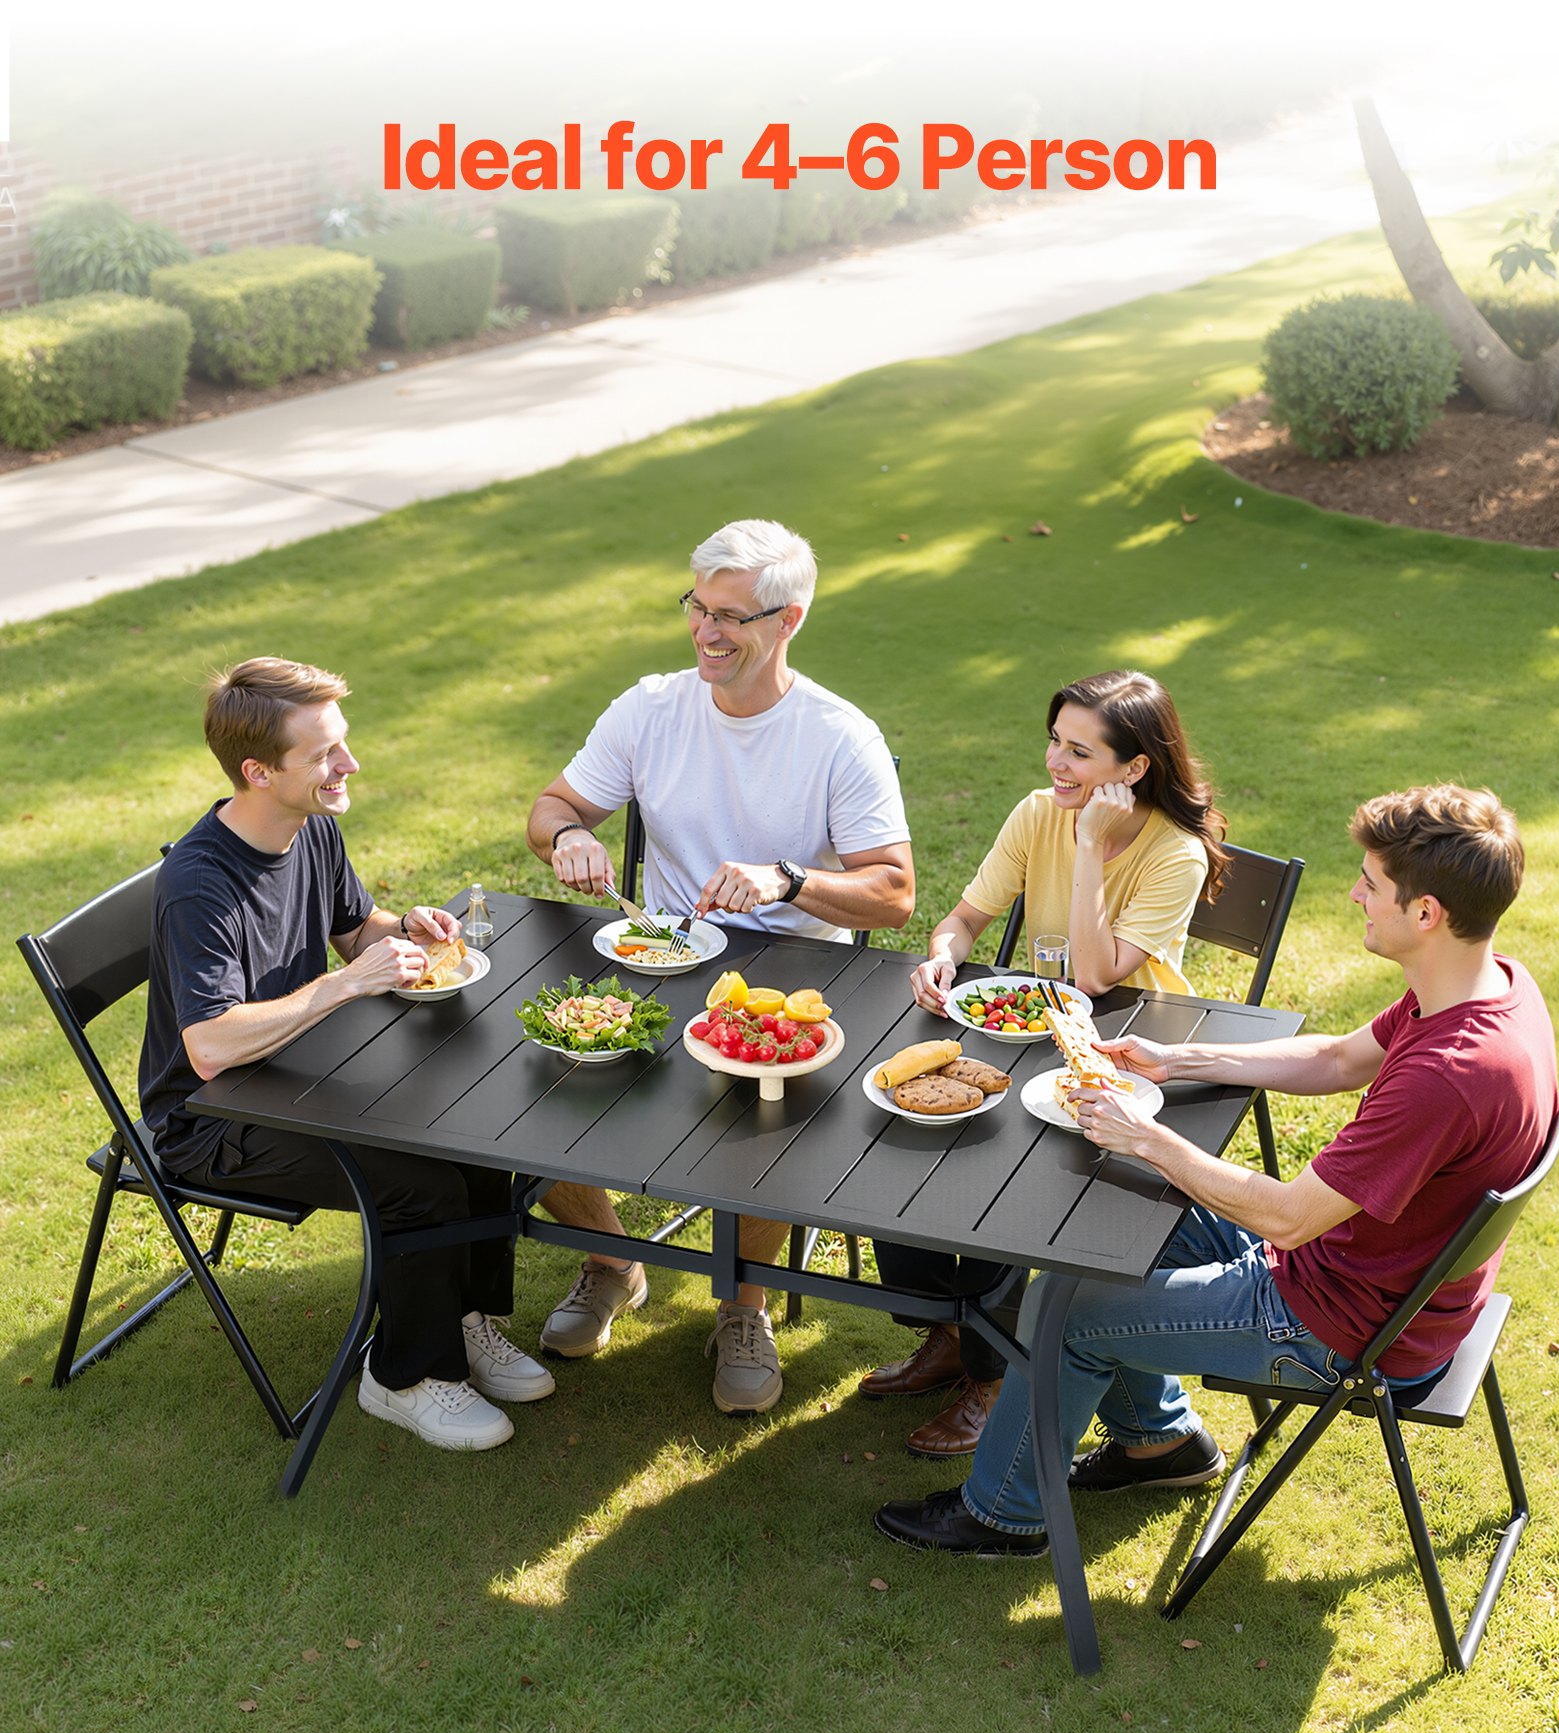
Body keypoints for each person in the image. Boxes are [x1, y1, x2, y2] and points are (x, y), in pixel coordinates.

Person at [873, 784, 1559, 1562]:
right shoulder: (1488, 983)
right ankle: (1158, 1444)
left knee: (1061, 1311)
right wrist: (1176, 1059)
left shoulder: (1446, 1075)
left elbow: (1289, 1219)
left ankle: (1002, 1515)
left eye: (1371, 883)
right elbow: (1338, 1057)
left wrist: (1147, 1135)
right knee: (1111, 1219)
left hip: (1338, 1321)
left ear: (1426, 912)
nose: (1355, 893)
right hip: (1381, 1276)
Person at [525, 518, 914, 1414]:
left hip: (787, 975)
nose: (707, 631)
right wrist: (572, 834)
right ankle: (613, 1261)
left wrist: (787, 878)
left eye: (732, 616)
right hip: (655, 959)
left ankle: (745, 1305)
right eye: (697, 608)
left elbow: (893, 894)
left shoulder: (838, 737)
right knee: (530, 1087)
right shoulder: (650, 707)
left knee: (766, 1117)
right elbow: (550, 808)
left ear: (790, 621)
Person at [139, 656, 556, 1453]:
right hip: (210, 1120)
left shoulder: (311, 826)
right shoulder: (201, 883)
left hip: (299, 1074)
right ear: (259, 773)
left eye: (344, 743)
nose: (349, 765)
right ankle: (401, 1377)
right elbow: (210, 1044)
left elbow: (354, 927)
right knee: (417, 1183)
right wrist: (345, 987)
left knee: (473, 1134)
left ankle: (460, 1325)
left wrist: (404, 932)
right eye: (325, 754)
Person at [865, 669, 1227, 1458]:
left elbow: (1099, 976)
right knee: (901, 1138)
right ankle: (950, 1330)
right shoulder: (1036, 813)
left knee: (1016, 1190)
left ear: (1133, 770)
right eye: (1054, 743)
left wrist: (1092, 847)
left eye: (1081, 752)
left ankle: (993, 1372)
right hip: (1026, 1031)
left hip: (1126, 1051)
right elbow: (964, 918)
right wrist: (941, 959)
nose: (1056, 766)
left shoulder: (1176, 854)